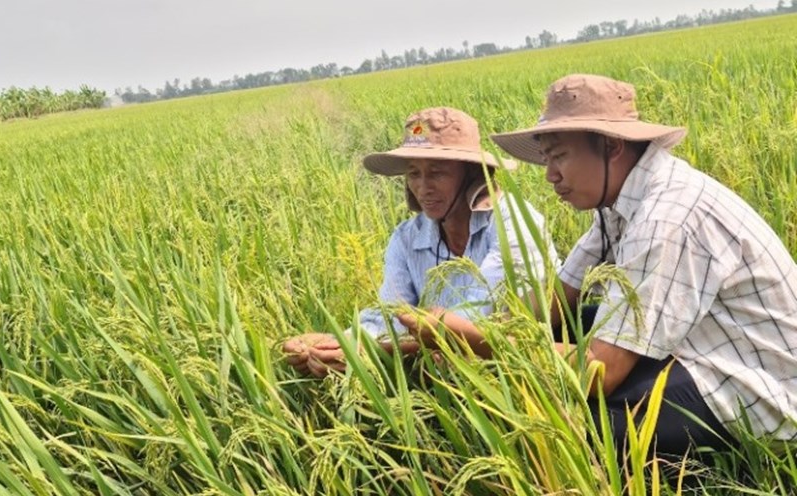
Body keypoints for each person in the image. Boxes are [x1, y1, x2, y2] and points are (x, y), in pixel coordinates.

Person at [485, 73, 797, 457]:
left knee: (570, 424)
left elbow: (599, 372)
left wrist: (478, 343)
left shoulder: (666, 217)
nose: (550, 175)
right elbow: (558, 298)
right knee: (573, 323)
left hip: (762, 392)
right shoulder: (619, 202)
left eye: (560, 155)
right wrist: (489, 331)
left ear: (612, 146)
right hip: (701, 347)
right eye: (547, 158)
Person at [283, 107, 558, 377]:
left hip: (523, 369)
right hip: (444, 371)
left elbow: (480, 319)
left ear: (472, 174)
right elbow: (392, 314)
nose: (423, 188)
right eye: (414, 173)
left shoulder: (515, 223)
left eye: (437, 173)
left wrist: (369, 350)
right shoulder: (406, 238)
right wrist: (336, 343)